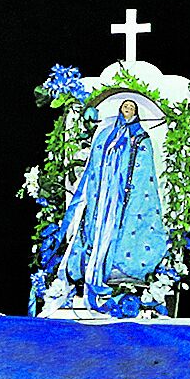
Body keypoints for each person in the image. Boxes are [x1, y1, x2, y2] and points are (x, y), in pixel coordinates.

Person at [45, 98, 170, 314]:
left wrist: (127, 188)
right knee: (93, 233)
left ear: (137, 112)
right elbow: (95, 165)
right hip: (104, 198)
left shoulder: (142, 139)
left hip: (126, 200)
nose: (127, 110)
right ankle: (88, 276)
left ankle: (124, 277)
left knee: (128, 234)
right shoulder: (106, 135)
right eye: (124, 107)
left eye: (131, 108)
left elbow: (145, 173)